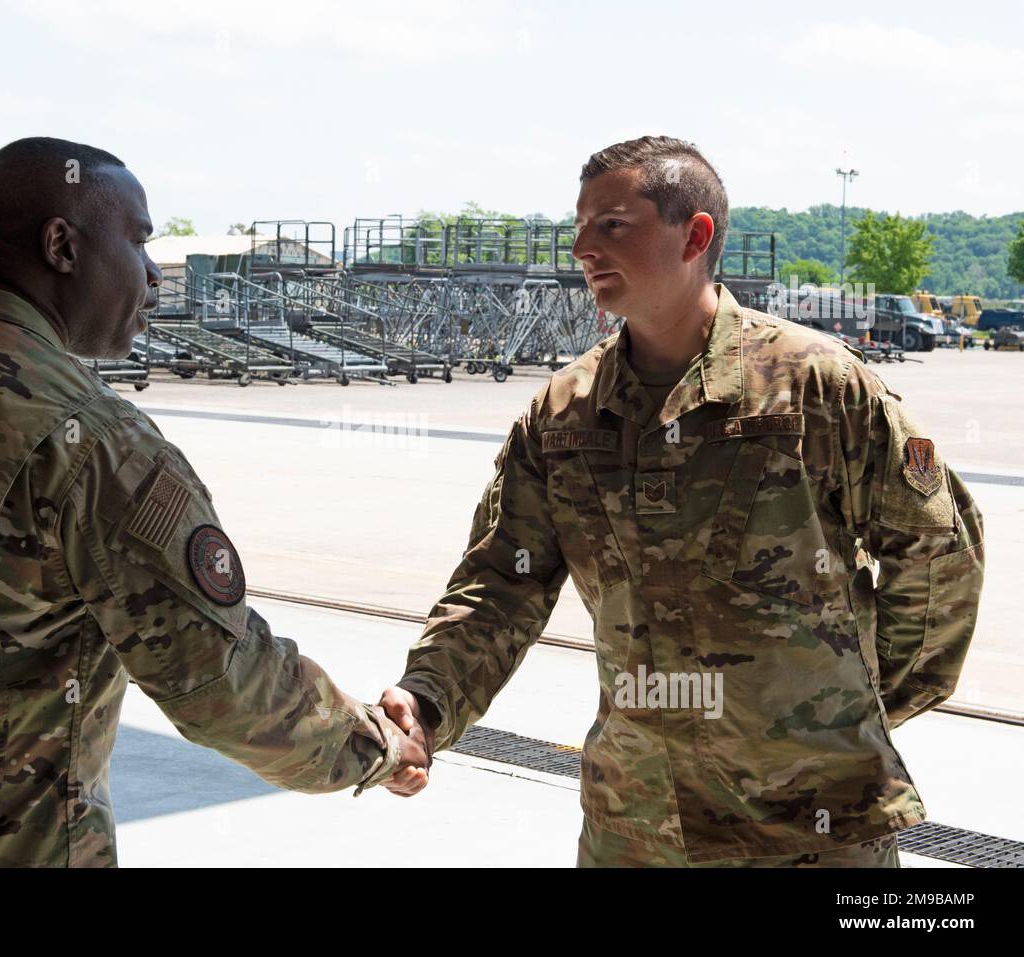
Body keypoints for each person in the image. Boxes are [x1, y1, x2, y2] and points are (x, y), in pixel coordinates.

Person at [0, 137, 426, 867]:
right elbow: (221, 684)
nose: (153, 278)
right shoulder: (90, 439)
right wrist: (378, 745)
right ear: (61, 245)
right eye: (138, 242)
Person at [379, 135, 984, 867]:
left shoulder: (817, 388)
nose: (580, 247)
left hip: (810, 831)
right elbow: (502, 585)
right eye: (579, 225)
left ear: (694, 234)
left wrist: (847, 713)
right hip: (635, 827)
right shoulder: (565, 415)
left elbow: (936, 554)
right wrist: (429, 702)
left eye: (612, 224)